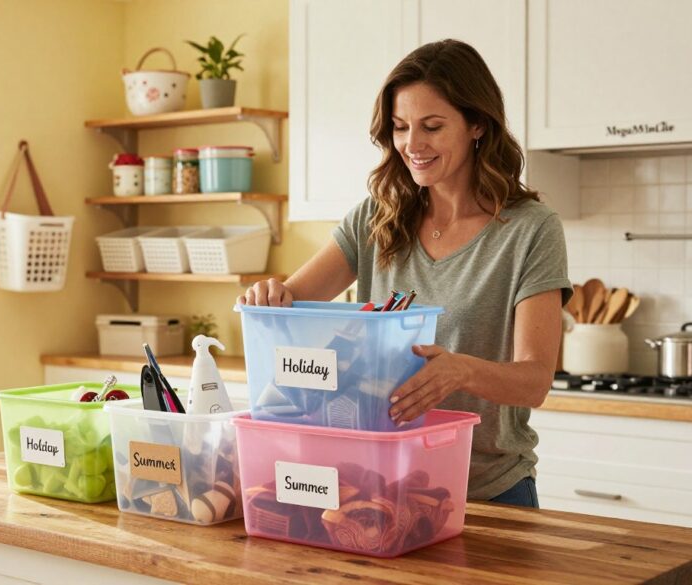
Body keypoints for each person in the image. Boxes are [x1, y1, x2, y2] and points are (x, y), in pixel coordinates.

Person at [237, 39, 570, 508]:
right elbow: (290, 304)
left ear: (477, 124)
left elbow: (534, 380)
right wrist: (271, 295)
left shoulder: (531, 230)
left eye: (432, 126)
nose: (413, 145)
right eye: (400, 127)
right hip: (380, 485)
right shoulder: (376, 217)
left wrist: (460, 371)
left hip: (488, 492)